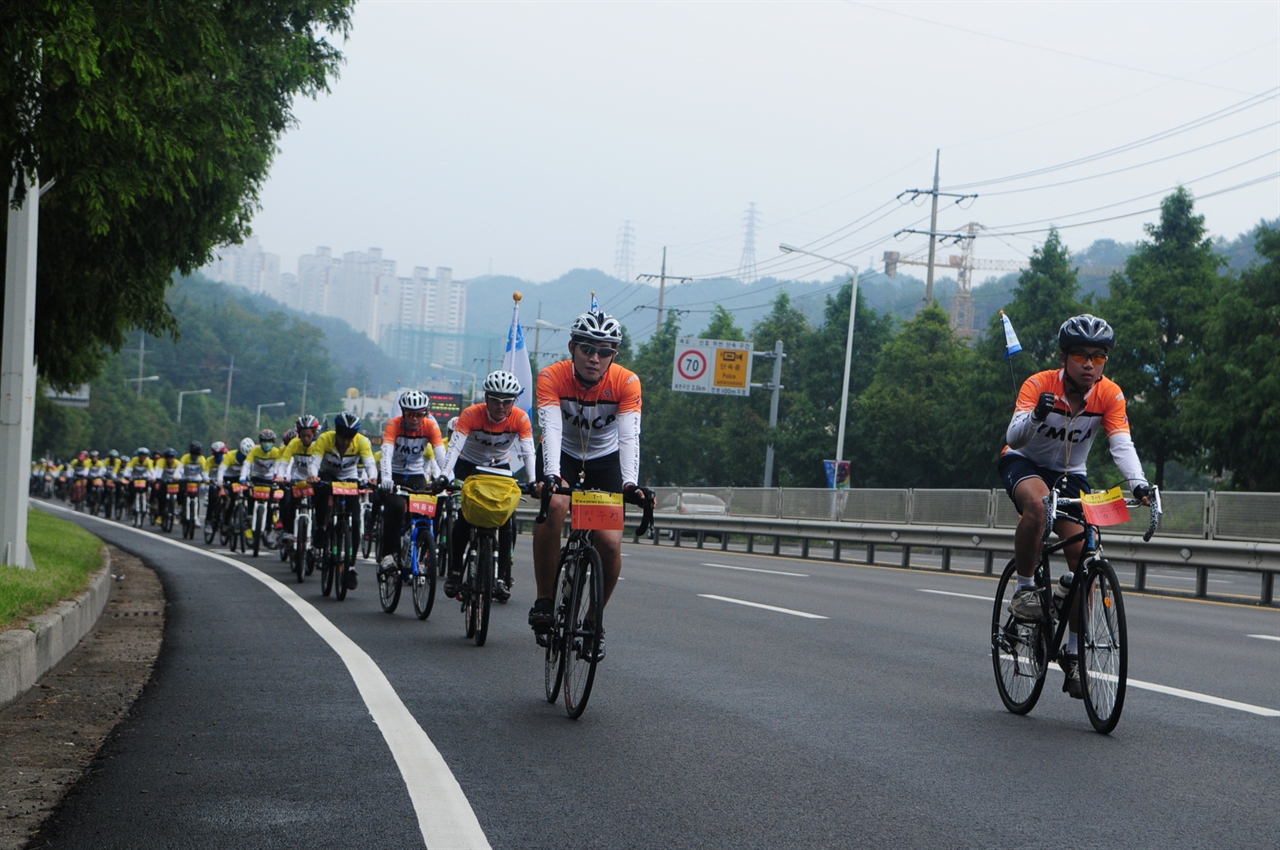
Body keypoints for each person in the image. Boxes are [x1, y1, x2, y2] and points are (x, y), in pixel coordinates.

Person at [999, 314, 1151, 699]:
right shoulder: (1039, 384)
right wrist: (1036, 415)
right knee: (1037, 504)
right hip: (1024, 462)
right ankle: (1026, 589)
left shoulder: (1109, 395)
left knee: (1085, 559)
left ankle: (1072, 656)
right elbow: (1013, 435)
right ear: (1064, 356)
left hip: (1070, 473)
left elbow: (1121, 444)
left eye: (1098, 358)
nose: (1089, 364)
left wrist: (1139, 484)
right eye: (1081, 356)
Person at [528, 309, 653, 660]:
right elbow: (550, 430)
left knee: (609, 544)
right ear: (572, 348)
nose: (594, 358)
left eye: (604, 351)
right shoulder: (552, 377)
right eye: (586, 349)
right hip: (563, 454)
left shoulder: (627, 382)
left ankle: (594, 621)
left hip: (604, 460)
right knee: (554, 505)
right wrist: (551, 476)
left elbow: (630, 437)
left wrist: (629, 484)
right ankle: (544, 599)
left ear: (614, 354)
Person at [436, 370, 536, 601]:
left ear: (514, 402)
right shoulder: (471, 414)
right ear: (486, 398)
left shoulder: (520, 418)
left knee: (507, 518)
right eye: (495, 400)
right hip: (469, 465)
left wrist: (532, 481)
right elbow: (454, 448)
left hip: (500, 467)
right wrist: (444, 475)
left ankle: (502, 577)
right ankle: (454, 573)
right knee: (465, 515)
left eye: (507, 402)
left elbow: (528, 452)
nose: (501, 407)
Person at [375, 390, 446, 575]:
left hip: (416, 474)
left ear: (426, 413)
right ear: (403, 412)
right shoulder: (394, 424)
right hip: (395, 473)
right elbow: (386, 454)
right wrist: (387, 479)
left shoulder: (430, 426)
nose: (414, 418)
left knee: (428, 510)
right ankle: (388, 555)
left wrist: (447, 477)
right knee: (396, 507)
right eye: (410, 414)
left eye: (419, 414)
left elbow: (441, 457)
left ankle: (422, 553)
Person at [308, 412, 377, 590]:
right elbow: (314, 462)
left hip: (349, 477)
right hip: (328, 475)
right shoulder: (324, 439)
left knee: (354, 518)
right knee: (321, 491)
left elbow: (370, 464)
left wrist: (372, 478)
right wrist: (313, 476)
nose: (346, 441)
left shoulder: (362, 442)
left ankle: (351, 567)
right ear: (336, 432)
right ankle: (322, 528)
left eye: (349, 437)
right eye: (343, 437)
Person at [278, 415, 321, 550]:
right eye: (302, 436)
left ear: (314, 433)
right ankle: (289, 531)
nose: (306, 439)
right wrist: (280, 476)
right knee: (287, 501)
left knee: (321, 506)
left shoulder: (319, 445)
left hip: (314, 481)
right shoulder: (294, 443)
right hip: (298, 480)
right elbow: (284, 462)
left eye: (309, 435)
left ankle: (319, 534)